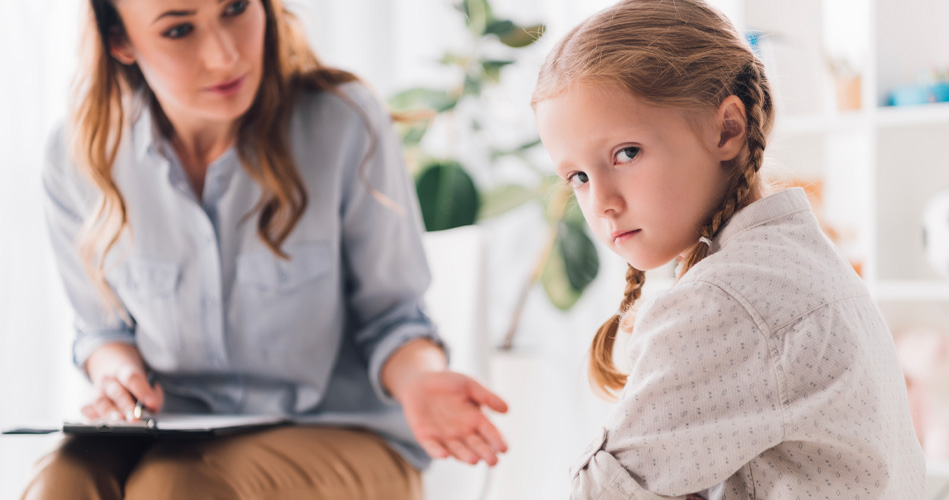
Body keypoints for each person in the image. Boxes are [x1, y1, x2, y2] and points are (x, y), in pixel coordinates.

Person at [23, 0, 508, 498]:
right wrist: (117, 372)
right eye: (179, 30)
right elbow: (102, 331)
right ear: (120, 41)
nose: (224, 54)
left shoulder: (341, 122)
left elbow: (392, 319)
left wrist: (420, 381)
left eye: (236, 8)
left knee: (177, 486)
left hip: (342, 435)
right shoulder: (77, 155)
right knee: (63, 478)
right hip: (171, 436)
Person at [531, 0, 926, 498]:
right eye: (578, 177)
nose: (602, 202)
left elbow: (604, 492)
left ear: (727, 129)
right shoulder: (793, 259)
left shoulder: (725, 302)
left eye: (625, 153)